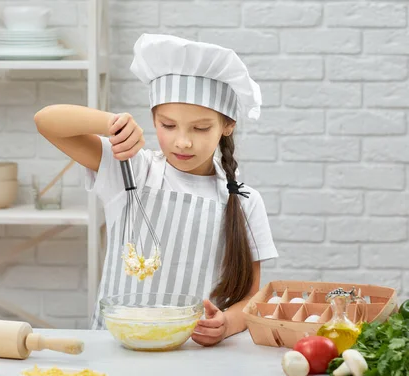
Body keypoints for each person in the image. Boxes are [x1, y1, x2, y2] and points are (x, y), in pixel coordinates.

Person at [34, 33, 278, 346]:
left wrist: (227, 323)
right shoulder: (130, 168)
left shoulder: (245, 201)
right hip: (115, 348)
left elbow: (252, 295)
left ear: (227, 125)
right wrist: (110, 123)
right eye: (168, 125)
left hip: (193, 354)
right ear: (153, 119)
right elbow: (46, 121)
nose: (183, 141)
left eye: (201, 128)